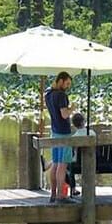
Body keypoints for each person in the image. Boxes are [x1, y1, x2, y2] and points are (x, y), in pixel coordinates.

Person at [44, 71, 74, 202]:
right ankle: (61, 195)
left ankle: (53, 193)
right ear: (60, 80)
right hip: (64, 132)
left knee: (55, 163)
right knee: (62, 164)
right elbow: (64, 115)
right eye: (67, 83)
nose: (67, 86)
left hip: (54, 131)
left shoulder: (48, 93)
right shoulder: (61, 95)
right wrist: (72, 108)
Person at [65, 112, 95, 195]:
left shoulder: (74, 138)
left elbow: (71, 154)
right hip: (95, 163)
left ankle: (73, 188)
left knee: (64, 166)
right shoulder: (92, 133)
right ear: (84, 122)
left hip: (78, 165)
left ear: (74, 124)